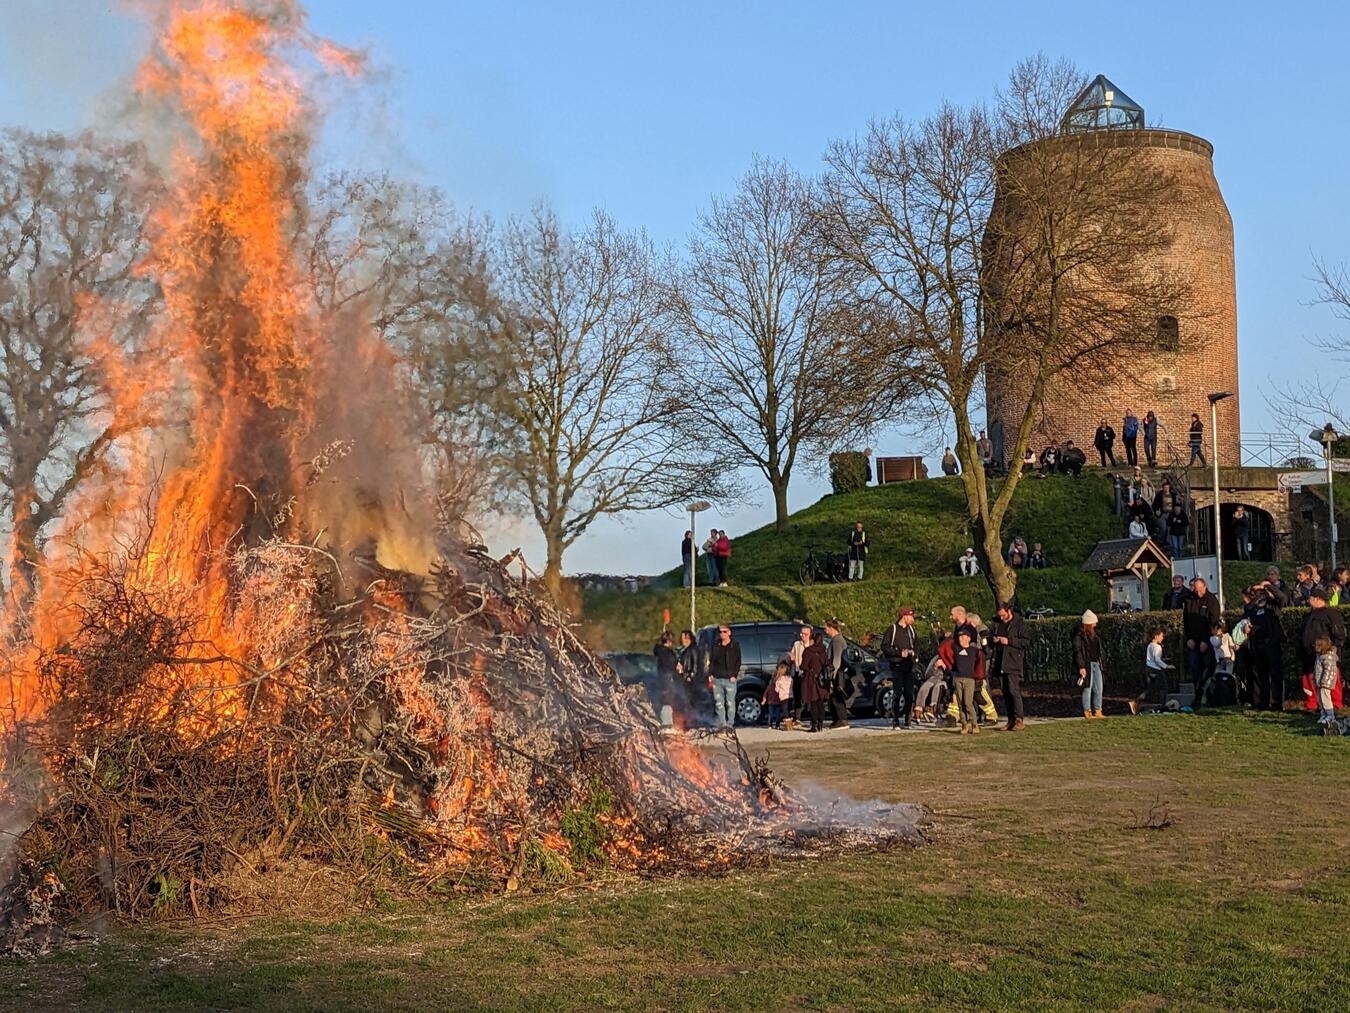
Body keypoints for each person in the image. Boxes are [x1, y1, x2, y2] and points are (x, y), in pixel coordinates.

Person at [1300, 586, 1346, 715]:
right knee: (1311, 679)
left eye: (1311, 597)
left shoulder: (1331, 614)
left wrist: (1333, 650)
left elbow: (1339, 634)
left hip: (1327, 654)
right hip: (1309, 653)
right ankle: (1313, 704)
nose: (1309, 600)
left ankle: (1335, 705)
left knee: (1330, 679)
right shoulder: (1309, 615)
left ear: (1318, 599)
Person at [1246, 582, 1286, 711]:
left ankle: (1276, 703)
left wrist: (1267, 586)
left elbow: (1282, 597)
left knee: (1275, 674)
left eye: (1262, 592)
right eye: (1257, 593)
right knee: (1259, 675)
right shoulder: (1253, 607)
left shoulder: (1273, 605)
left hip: (1272, 643)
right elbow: (1247, 611)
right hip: (1257, 644)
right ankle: (1261, 702)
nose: (1260, 594)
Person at [880, 607, 920, 728]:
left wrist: (914, 655)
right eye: (910, 616)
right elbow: (885, 646)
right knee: (897, 693)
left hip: (909, 666)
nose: (912, 619)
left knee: (909, 693)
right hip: (897, 666)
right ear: (904, 617)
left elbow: (917, 644)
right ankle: (895, 720)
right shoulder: (892, 629)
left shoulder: (911, 630)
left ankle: (908, 719)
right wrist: (898, 653)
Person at [991, 602, 1028, 731]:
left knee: (1014, 691)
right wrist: (994, 640)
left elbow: (1025, 642)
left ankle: (1019, 719)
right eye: (999, 616)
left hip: (1013, 662)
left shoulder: (1019, 623)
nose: (1001, 618)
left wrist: (1009, 641)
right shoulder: (996, 624)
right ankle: (1010, 720)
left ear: (1009, 611)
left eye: (1003, 615)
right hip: (1000, 662)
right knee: (1005, 692)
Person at [1182, 577, 1221, 702]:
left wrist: (1206, 640)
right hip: (1193, 640)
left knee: (1208, 668)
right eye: (1196, 590)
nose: (1198, 593)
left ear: (1205, 587)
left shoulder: (1212, 601)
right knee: (1194, 667)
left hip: (1207, 641)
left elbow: (1213, 621)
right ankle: (1197, 695)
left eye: (1200, 590)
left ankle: (1207, 694)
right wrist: (1188, 638)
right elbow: (1186, 620)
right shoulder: (1189, 600)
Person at [949, 626, 985, 734]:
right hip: (958, 678)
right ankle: (964, 724)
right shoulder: (956, 648)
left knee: (968, 702)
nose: (961, 639)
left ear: (969, 638)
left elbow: (982, 658)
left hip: (969, 679)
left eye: (963, 637)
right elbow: (945, 650)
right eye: (959, 637)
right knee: (960, 703)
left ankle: (974, 724)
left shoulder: (974, 650)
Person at [707, 624, 741, 729]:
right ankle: (722, 723)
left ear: (729, 633)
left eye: (724, 632)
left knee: (730, 702)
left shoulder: (734, 645)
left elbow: (738, 661)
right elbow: (711, 661)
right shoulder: (716, 645)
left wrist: (734, 675)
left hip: (729, 679)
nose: (722, 634)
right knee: (718, 702)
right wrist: (710, 674)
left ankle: (730, 723)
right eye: (720, 632)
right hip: (717, 678)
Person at [1073, 610, 1106, 719]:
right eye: (1093, 623)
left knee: (1099, 688)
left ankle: (1098, 709)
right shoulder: (1079, 636)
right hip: (1087, 664)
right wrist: (1081, 666)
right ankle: (1087, 710)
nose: (1095, 625)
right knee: (1087, 688)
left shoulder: (1095, 635)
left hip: (1096, 663)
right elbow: (1078, 652)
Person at [799, 627, 830, 733]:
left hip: (812, 678)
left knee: (813, 703)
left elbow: (803, 666)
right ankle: (821, 724)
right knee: (821, 702)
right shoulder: (824, 651)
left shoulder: (809, 651)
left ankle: (814, 725)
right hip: (823, 679)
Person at [823, 618, 851, 729]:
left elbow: (837, 659)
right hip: (837, 671)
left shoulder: (837, 640)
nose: (825, 631)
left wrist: (832, 674)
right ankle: (836, 720)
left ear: (831, 628)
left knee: (837, 697)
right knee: (833, 698)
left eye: (826, 628)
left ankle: (842, 719)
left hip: (837, 673)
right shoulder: (836, 639)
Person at [652, 632, 678, 730]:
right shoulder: (666, 652)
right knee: (667, 699)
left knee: (665, 698)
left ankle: (666, 721)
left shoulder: (660, 651)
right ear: (668, 641)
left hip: (663, 677)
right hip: (667, 678)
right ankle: (667, 722)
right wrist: (677, 667)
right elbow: (670, 665)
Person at [1313, 637, 1340, 730]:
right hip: (1320, 682)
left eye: (1319, 646)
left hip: (1325, 683)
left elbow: (1329, 670)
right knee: (1320, 700)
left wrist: (1324, 681)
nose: (1316, 648)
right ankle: (1323, 714)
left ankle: (1330, 716)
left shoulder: (1328, 657)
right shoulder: (1320, 656)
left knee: (1326, 699)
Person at [1144, 628, 1174, 709]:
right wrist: (1167, 666)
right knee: (1163, 687)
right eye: (1161, 636)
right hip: (1156, 670)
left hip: (1148, 668)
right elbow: (1157, 660)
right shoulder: (1157, 647)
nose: (1162, 638)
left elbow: (1151, 658)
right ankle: (1162, 705)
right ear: (1156, 636)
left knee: (1150, 688)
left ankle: (1139, 701)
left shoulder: (1150, 645)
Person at [1208, 621, 1237, 706]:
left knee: (1228, 678)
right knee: (1218, 678)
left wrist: (1235, 647)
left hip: (1228, 659)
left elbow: (1231, 645)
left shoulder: (1227, 636)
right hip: (1219, 661)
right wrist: (1221, 638)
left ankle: (1229, 698)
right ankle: (1218, 698)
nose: (1213, 631)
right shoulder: (1212, 638)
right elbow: (1217, 645)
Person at [674, 629, 698, 727]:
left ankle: (692, 722)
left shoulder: (693, 649)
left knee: (690, 701)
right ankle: (688, 721)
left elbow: (695, 665)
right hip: (684, 677)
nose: (684, 640)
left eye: (686, 638)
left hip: (690, 679)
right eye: (683, 638)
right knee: (685, 700)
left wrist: (690, 676)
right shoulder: (684, 650)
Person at [763, 660, 792, 730]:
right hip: (789, 696)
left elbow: (776, 690)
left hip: (780, 698)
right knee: (784, 712)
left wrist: (764, 700)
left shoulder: (778, 681)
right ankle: (780, 725)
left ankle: (772, 724)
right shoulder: (790, 679)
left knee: (773, 714)